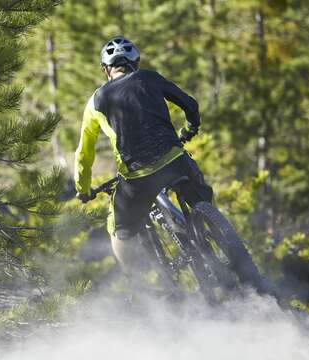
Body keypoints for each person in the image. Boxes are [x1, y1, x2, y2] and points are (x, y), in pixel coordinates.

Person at [74, 35, 214, 275]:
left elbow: (84, 155)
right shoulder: (149, 78)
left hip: (137, 177)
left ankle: (139, 290)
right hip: (175, 161)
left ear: (105, 70)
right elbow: (190, 104)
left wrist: (83, 189)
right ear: (135, 64)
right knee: (202, 199)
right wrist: (190, 128)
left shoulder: (96, 102)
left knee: (119, 231)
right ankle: (217, 237)